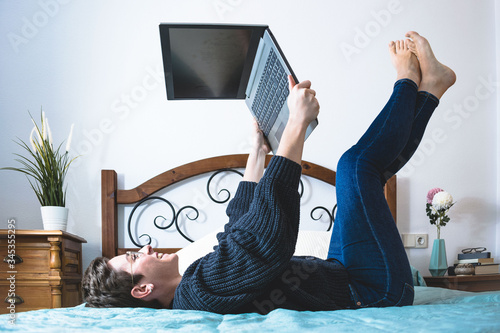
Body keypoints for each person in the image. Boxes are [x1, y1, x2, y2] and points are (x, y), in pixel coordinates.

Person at [82, 31, 456, 313]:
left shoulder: (194, 280)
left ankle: (433, 87)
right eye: (134, 257)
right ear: (142, 290)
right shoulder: (197, 293)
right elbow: (265, 242)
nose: (145, 247)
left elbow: (238, 232)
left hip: (342, 271)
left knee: (364, 173)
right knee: (355, 166)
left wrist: (257, 152)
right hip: (374, 292)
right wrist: (294, 128)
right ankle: (408, 82)